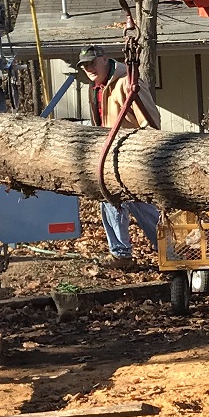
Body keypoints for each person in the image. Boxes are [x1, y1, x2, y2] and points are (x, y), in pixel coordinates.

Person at [76, 45, 162, 268]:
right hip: (108, 154)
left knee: (135, 203)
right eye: (84, 66)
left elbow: (150, 121)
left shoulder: (127, 82)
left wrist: (143, 152)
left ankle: (165, 248)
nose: (89, 68)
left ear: (104, 59)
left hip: (130, 153)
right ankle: (123, 253)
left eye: (92, 63)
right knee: (112, 200)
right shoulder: (95, 87)